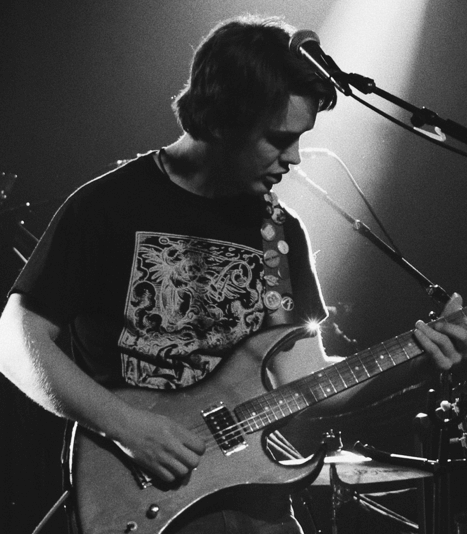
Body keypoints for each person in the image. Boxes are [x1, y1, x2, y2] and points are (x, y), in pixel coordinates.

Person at [0, 14, 466, 534]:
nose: (295, 157)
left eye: (300, 138)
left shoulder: (278, 232)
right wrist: (128, 428)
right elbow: (15, 340)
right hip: (140, 498)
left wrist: (418, 359)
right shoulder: (106, 206)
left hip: (257, 508)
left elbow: (306, 381)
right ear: (222, 120)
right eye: (279, 138)